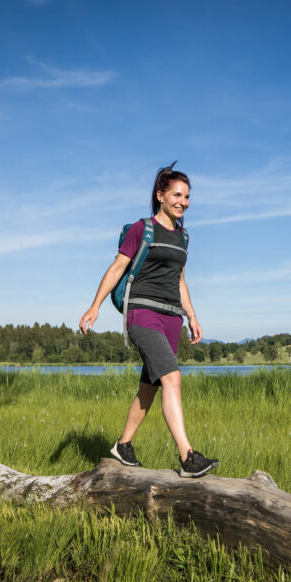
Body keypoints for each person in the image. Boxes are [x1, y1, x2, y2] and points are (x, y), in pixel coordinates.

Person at [80, 163, 218, 478]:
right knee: (172, 379)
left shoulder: (183, 237)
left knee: (150, 387)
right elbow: (117, 267)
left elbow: (180, 280)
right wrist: (94, 306)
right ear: (160, 195)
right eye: (177, 195)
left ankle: (123, 445)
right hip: (141, 312)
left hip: (172, 318)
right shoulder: (141, 229)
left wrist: (192, 317)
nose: (183, 202)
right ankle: (188, 457)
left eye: (187, 196)